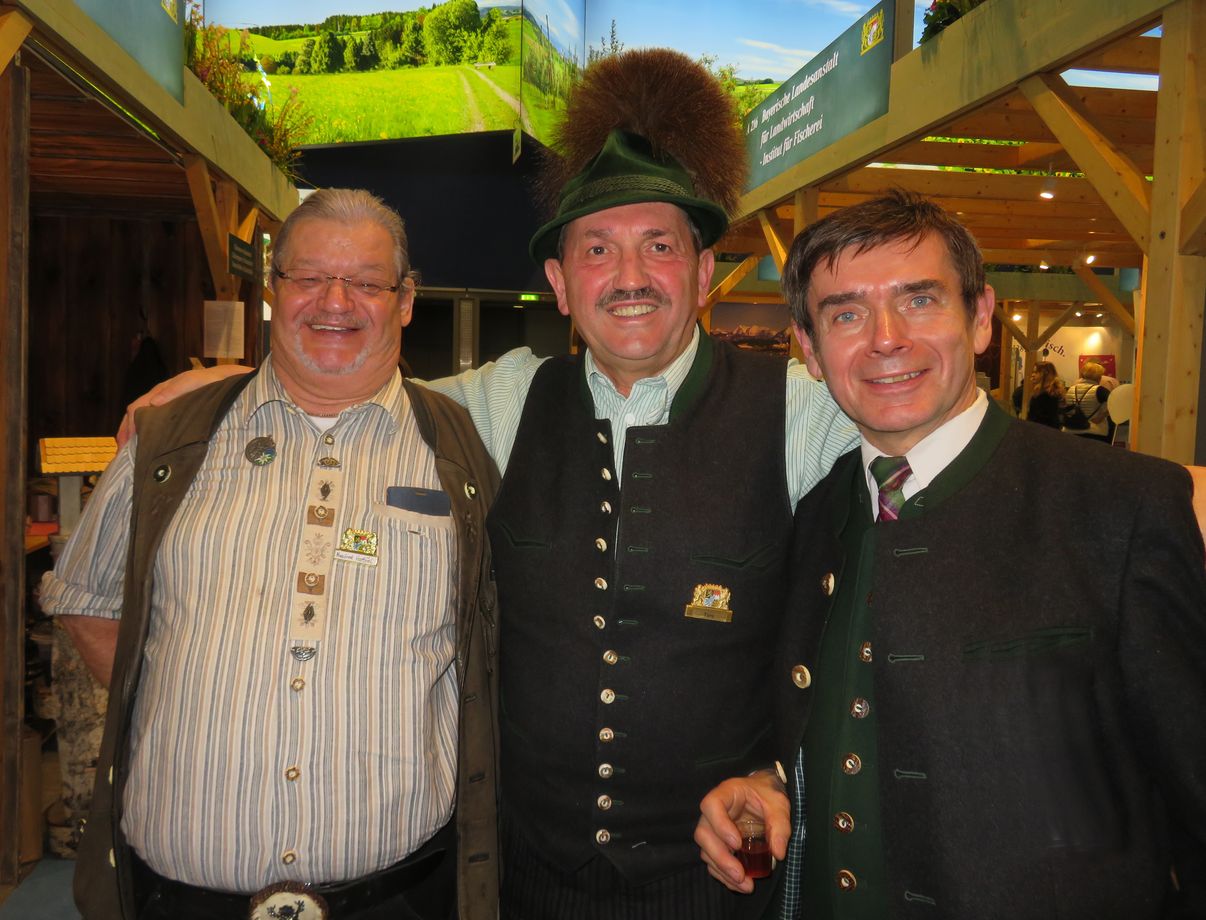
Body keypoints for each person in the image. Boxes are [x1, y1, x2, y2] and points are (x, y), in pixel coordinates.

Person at [117, 49, 857, 919]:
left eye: (659, 247)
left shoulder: (802, 412)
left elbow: (910, 462)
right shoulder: (502, 402)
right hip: (523, 877)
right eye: (597, 250)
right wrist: (228, 386)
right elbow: (352, 382)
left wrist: (776, 774)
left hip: (712, 885)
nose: (628, 276)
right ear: (559, 285)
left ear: (701, 275)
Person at [696, 191, 1206, 918]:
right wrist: (769, 782)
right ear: (808, 347)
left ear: (982, 316)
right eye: (846, 314)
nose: (886, 339)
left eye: (920, 300)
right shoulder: (811, 516)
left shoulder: (1122, 508)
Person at [40, 189, 502, 920]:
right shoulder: (170, 443)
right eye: (309, 277)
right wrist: (186, 705)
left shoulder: (465, 450)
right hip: (182, 898)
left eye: (367, 282)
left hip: (400, 895)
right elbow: (87, 604)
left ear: (406, 301)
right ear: (273, 290)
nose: (335, 301)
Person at [1064, 361, 1110, 442]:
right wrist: (1102, 416)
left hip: (1071, 430)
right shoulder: (1100, 390)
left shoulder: (1071, 389)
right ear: (1098, 377)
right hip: (1094, 431)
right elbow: (1115, 404)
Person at [1011, 359, 1064, 428]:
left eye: (1036, 372)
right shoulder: (1050, 392)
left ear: (1045, 374)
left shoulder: (1046, 395)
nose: (1032, 375)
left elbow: (1038, 420)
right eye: (1033, 372)